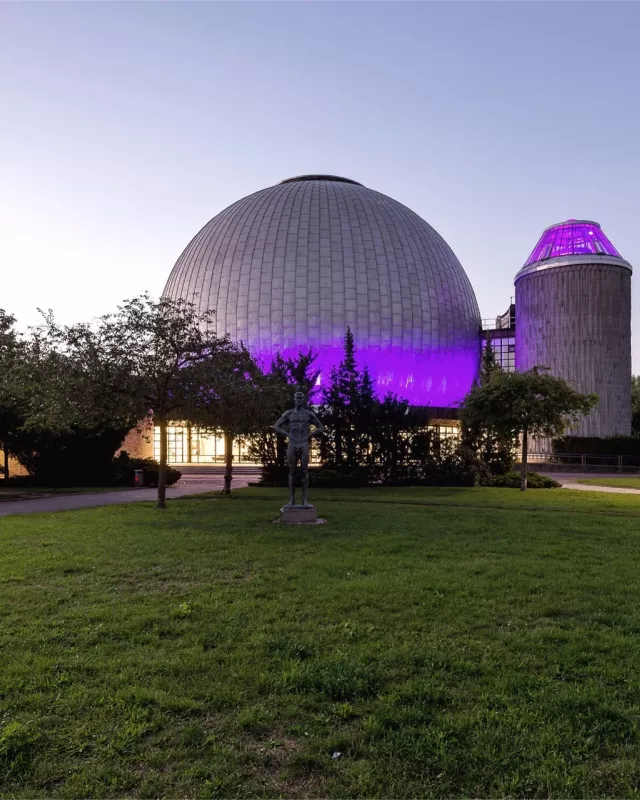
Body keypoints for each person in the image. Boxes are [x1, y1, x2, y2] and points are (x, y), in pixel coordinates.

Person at [274, 391, 324, 507]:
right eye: (296, 398)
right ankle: (291, 500)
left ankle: (305, 500)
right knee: (291, 471)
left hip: (303, 442)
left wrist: (311, 434)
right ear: (294, 399)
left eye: (301, 398)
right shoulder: (289, 413)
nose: (298, 400)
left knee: (304, 471)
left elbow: (321, 427)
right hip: (292, 442)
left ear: (303, 400)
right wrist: (286, 434)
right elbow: (276, 426)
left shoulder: (308, 414)